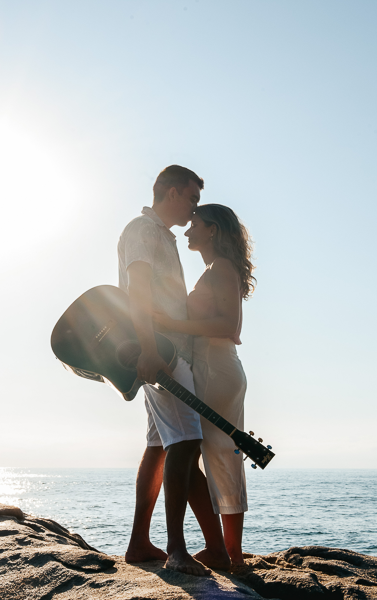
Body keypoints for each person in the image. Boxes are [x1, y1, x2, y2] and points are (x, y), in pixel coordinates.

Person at [118, 166, 231, 575]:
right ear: (169, 193)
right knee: (185, 445)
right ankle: (178, 551)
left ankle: (137, 543)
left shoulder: (161, 235)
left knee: (157, 448)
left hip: (165, 350)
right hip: (163, 353)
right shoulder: (143, 231)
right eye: (191, 199)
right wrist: (150, 348)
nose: (193, 208)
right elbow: (138, 290)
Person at [153, 203, 256, 567]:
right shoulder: (214, 270)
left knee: (220, 455)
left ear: (212, 230)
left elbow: (230, 326)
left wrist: (171, 322)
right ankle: (226, 551)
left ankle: (231, 554)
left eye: (194, 223)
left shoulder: (221, 269)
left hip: (217, 367)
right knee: (210, 453)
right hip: (210, 366)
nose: (187, 229)